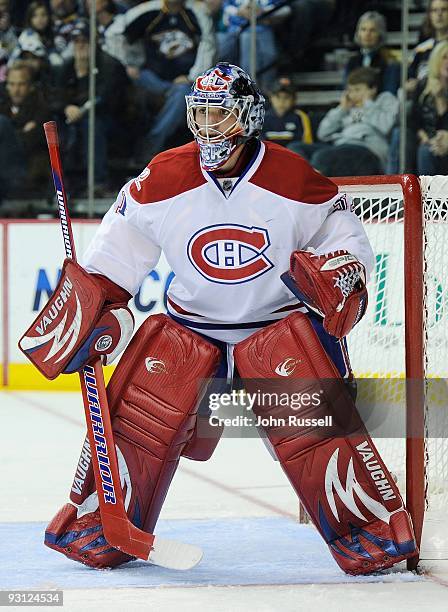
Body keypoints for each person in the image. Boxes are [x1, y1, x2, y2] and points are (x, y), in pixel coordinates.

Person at [22, 63, 417, 576]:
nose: (208, 127)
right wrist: (95, 306)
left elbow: (348, 243)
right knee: (135, 421)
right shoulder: (162, 177)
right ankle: (101, 522)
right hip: (192, 328)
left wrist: (334, 276)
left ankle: (366, 528)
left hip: (276, 329)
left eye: (220, 113)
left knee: (316, 433)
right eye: (200, 113)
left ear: (248, 116)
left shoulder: (293, 177)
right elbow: (114, 258)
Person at [124, 0, 216, 158]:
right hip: (151, 79)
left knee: (182, 94)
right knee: (133, 81)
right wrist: (130, 63)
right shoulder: (148, 11)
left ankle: (151, 144)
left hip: (184, 82)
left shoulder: (196, 14)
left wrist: (191, 76)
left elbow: (209, 46)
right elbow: (118, 35)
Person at [314, 67, 399, 176]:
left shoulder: (385, 99)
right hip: (340, 146)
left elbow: (386, 127)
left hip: (369, 149)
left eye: (357, 90)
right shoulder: (347, 107)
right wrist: (342, 109)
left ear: (372, 89)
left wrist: (368, 103)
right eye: (350, 90)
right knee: (297, 148)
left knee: (322, 157)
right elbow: (323, 133)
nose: (352, 95)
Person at [0, 61, 51, 198]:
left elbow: (30, 140)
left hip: (27, 166)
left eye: (21, 84)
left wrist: (9, 132)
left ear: (31, 86)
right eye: (12, 84)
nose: (16, 90)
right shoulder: (3, 105)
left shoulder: (41, 107)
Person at [410, 40, 448, 174]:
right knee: (425, 150)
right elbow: (413, 118)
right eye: (444, 57)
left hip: (444, 141)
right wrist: (423, 136)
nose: (447, 62)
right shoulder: (423, 86)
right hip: (427, 140)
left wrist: (440, 100)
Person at [343, 11, 400, 95]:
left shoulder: (389, 62)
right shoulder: (352, 62)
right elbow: (347, 89)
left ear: (380, 34)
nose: (367, 34)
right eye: (363, 29)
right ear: (358, 33)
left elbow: (389, 94)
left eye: (372, 30)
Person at [407, 0, 448, 93]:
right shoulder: (421, 49)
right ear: (429, 15)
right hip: (423, 100)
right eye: (434, 10)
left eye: (444, 9)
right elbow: (409, 79)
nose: (439, 14)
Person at [262, 79, 313, 149]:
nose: (282, 101)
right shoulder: (261, 118)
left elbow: (306, 145)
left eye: (287, 97)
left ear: (294, 99)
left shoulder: (300, 117)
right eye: (278, 97)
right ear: (271, 98)